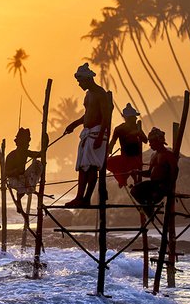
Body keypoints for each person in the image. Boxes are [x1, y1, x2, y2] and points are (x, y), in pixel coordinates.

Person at [63, 63, 111, 207]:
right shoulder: (88, 95)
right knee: (83, 167)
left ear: (88, 79)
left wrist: (100, 136)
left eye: (80, 81)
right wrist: (74, 124)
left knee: (91, 167)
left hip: (97, 133)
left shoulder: (100, 94)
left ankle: (86, 198)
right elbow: (87, 115)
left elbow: (106, 117)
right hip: (88, 133)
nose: (79, 84)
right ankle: (79, 197)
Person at [130, 127, 178, 216]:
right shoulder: (154, 156)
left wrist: (169, 187)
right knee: (134, 190)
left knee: (152, 196)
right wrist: (138, 172)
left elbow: (174, 171)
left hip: (162, 185)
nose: (150, 144)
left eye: (151, 142)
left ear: (159, 141)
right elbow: (149, 173)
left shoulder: (168, 155)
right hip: (153, 184)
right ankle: (148, 209)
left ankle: (149, 208)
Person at [106, 103, 148, 188]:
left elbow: (145, 140)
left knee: (133, 167)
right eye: (134, 117)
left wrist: (138, 133)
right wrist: (107, 153)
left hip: (136, 158)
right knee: (107, 162)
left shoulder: (137, 127)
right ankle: (123, 180)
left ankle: (134, 181)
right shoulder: (119, 129)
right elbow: (113, 142)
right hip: (125, 157)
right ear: (128, 118)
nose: (136, 118)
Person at [5, 128, 42, 202]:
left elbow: (38, 154)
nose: (28, 145)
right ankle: (19, 199)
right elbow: (6, 173)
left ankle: (29, 188)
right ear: (20, 144)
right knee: (22, 185)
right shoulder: (11, 156)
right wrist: (15, 171)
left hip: (23, 177)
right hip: (13, 179)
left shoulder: (25, 152)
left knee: (38, 164)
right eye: (26, 143)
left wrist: (45, 148)